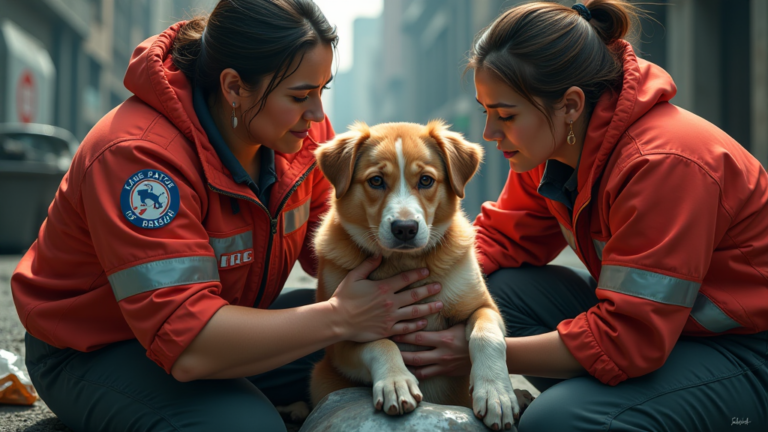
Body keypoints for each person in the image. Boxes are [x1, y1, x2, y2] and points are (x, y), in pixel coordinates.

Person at [10, 1, 442, 431]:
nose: (317, 114)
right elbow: (188, 341)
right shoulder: (139, 159)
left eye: (321, 91)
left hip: (230, 320)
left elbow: (351, 247)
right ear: (234, 87)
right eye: (300, 95)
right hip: (99, 349)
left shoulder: (300, 136)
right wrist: (340, 318)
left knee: (416, 335)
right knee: (250, 427)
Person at [392, 1, 768, 430]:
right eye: (486, 112)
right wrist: (397, 293)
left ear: (570, 105)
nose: (489, 134)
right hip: (662, 332)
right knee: (495, 289)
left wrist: (483, 350)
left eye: (506, 115)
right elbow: (498, 241)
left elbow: (631, 340)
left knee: (555, 421)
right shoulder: (550, 146)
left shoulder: (664, 163)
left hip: (743, 352)